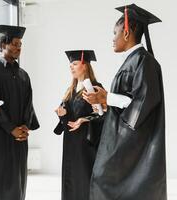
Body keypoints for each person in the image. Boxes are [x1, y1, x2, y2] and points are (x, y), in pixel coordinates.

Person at [83, 4, 167, 200]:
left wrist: (107, 97)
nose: (112, 38)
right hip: (122, 136)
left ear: (127, 32)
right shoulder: (132, 61)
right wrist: (103, 103)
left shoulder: (144, 61)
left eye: (115, 33)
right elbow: (128, 102)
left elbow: (144, 102)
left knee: (104, 179)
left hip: (133, 142)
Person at [0, 25, 40, 200]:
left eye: (20, 44)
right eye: (14, 44)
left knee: (18, 180)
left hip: (19, 137)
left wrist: (24, 126)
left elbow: (29, 104)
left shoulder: (24, 75)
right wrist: (11, 129)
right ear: (2, 45)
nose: (18, 48)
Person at [54, 50, 105, 200]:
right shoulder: (70, 90)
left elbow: (103, 115)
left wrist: (85, 119)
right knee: (70, 179)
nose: (71, 67)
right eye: (70, 64)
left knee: (83, 179)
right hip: (71, 143)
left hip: (86, 144)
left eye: (75, 63)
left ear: (85, 66)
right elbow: (66, 119)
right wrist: (61, 114)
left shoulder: (96, 88)